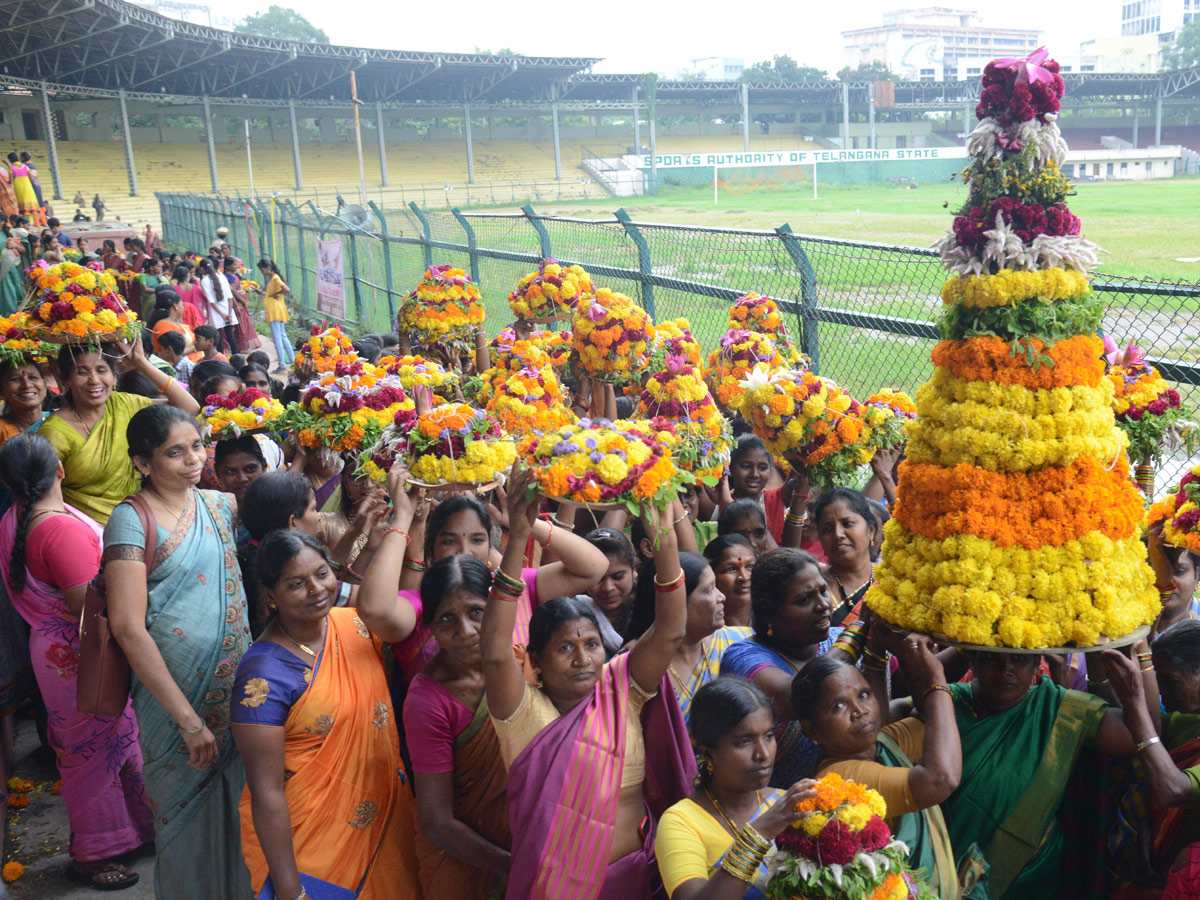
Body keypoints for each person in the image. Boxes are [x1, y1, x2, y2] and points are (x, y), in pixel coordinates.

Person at [483, 467, 696, 899]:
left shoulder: (622, 692)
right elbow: (493, 651)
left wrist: (665, 542)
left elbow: (671, 629)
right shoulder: (521, 716)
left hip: (634, 881)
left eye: (592, 645)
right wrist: (519, 537)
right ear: (537, 664)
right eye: (565, 649)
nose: (583, 659)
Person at [104, 405, 252, 898]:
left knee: (247, 810)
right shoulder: (130, 521)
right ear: (143, 462)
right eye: (174, 452)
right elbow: (128, 627)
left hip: (237, 692)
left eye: (196, 446)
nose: (192, 459)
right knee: (185, 822)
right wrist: (188, 721)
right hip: (173, 705)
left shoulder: (219, 505)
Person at [0, 433, 155, 891]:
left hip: (60, 651)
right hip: (82, 653)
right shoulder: (59, 529)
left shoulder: (15, 519)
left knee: (115, 742)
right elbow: (87, 605)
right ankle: (91, 855)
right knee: (91, 757)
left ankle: (133, 829)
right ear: (61, 472)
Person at [231, 529, 422, 900]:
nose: (317, 589)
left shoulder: (352, 624)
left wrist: (409, 526)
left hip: (387, 826)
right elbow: (266, 791)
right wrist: (289, 890)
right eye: (297, 584)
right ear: (271, 596)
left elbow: (403, 607)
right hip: (313, 849)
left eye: (322, 574)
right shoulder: (263, 675)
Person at [942, 651, 1143, 900]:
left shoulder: (1060, 708)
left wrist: (1135, 678)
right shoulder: (947, 702)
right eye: (992, 659)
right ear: (973, 662)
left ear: (1038, 664)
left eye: (1018, 660)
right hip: (941, 867)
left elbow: (1135, 739)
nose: (1006, 669)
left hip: (1030, 876)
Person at [793, 645, 962, 899]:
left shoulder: (884, 743)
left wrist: (910, 659)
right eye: (838, 706)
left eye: (864, 694)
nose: (860, 710)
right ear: (811, 731)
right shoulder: (840, 781)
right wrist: (936, 679)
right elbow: (940, 780)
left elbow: (932, 718)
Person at [656, 677, 818, 899]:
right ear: (708, 753)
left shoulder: (784, 804)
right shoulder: (681, 821)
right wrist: (759, 834)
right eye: (744, 741)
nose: (763, 753)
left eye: (768, 736)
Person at [720, 547, 864, 787]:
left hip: (860, 788)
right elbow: (797, 695)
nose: (823, 605)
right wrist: (860, 632)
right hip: (779, 806)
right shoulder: (743, 658)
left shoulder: (840, 638)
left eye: (823, 591)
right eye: (804, 600)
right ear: (769, 612)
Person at [41, 341, 200, 524]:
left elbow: (189, 408)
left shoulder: (126, 404)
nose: (94, 380)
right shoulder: (54, 432)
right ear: (67, 380)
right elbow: (46, 497)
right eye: (82, 372)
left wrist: (141, 363)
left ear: (114, 377)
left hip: (142, 523)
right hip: (88, 533)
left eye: (101, 370)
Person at [629, 550, 751, 721]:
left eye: (716, 587)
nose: (721, 596)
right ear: (675, 602)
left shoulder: (740, 642)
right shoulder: (635, 664)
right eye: (709, 590)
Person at [812, 488, 878, 627]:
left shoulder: (891, 579)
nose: (838, 534)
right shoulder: (814, 589)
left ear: (870, 531)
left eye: (847, 524)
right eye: (828, 529)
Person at [580, 526, 639, 651]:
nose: (608, 588)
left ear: (634, 571)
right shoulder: (574, 612)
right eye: (598, 579)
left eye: (617, 577)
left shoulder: (651, 612)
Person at [703, 533, 755, 628]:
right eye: (731, 569)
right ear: (711, 575)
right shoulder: (703, 631)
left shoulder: (772, 622)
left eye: (750, 567)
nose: (744, 577)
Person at [258, 258, 294, 372]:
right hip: (276, 310)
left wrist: (276, 293)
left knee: (277, 339)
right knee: (283, 337)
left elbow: (286, 289)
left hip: (274, 311)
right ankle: (293, 360)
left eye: (262, 270)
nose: (262, 272)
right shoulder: (272, 278)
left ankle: (282, 364)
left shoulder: (275, 278)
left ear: (268, 268)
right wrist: (264, 293)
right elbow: (270, 293)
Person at [198, 258, 238, 354]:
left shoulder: (204, 280)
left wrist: (222, 314)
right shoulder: (222, 277)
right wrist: (228, 313)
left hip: (216, 312)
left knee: (218, 336)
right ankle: (236, 355)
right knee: (230, 335)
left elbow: (211, 301)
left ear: (202, 269)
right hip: (228, 309)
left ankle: (221, 357)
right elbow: (230, 296)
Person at [222, 257, 260, 352]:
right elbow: (233, 291)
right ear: (228, 266)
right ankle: (242, 347)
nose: (237, 267)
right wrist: (243, 301)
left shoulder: (231, 275)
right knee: (241, 325)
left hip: (238, 302)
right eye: (234, 265)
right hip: (237, 303)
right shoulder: (229, 276)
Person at [147, 291, 194, 359]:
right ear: (175, 306)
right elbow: (170, 353)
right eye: (181, 304)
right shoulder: (163, 325)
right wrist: (194, 347)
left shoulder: (177, 324)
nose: (183, 308)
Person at [7, 153, 39, 221]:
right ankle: (30, 222)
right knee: (29, 204)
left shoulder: (11, 168)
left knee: (21, 204)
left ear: (10, 160)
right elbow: (31, 178)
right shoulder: (25, 166)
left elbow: (11, 181)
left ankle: (24, 222)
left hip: (18, 187)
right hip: (27, 186)